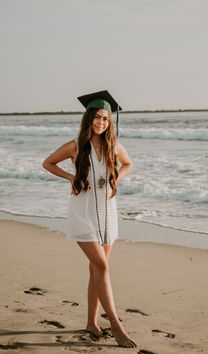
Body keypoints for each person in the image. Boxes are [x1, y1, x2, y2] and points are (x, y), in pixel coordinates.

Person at [42, 91, 137, 348]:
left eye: (106, 118)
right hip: (82, 214)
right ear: (88, 118)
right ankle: (116, 325)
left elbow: (128, 164)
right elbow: (47, 163)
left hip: (107, 214)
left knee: (96, 268)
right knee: (103, 267)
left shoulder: (112, 145)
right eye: (97, 117)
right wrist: (70, 178)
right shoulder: (75, 145)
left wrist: (118, 176)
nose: (101, 122)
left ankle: (91, 323)